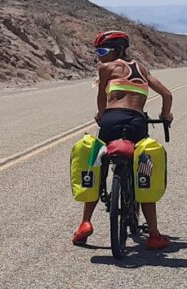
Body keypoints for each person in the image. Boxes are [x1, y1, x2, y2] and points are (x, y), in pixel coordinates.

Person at [72, 30, 173, 251]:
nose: (99, 57)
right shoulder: (142, 69)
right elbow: (167, 94)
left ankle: (85, 222)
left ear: (117, 51)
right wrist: (166, 115)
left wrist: (101, 115)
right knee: (143, 169)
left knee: (96, 162)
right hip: (137, 122)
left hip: (111, 119)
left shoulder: (107, 68)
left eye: (102, 52)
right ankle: (154, 235)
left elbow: (101, 97)